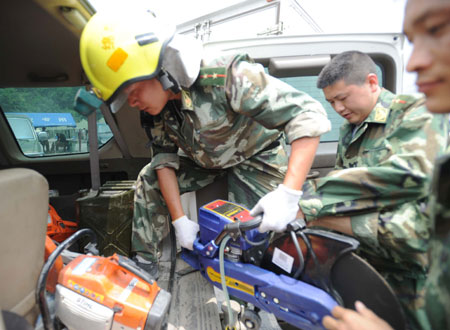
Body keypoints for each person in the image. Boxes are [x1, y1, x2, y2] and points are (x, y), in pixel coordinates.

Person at [79, 10, 331, 279]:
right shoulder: (156, 111)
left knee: (267, 234)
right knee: (148, 176)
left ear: (161, 71)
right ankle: (145, 266)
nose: (132, 102)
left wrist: (289, 195)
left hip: (256, 157)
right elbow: (163, 161)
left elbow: (306, 114)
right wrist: (179, 222)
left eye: (132, 91)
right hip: (205, 161)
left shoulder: (226, 75)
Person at [321, 1, 450, 329]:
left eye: (343, 98)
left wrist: (308, 202)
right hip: (370, 264)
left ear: (372, 83)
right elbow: (346, 178)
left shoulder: (417, 114)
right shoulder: (350, 129)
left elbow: (414, 211)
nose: (338, 108)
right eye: (331, 102)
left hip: (412, 278)